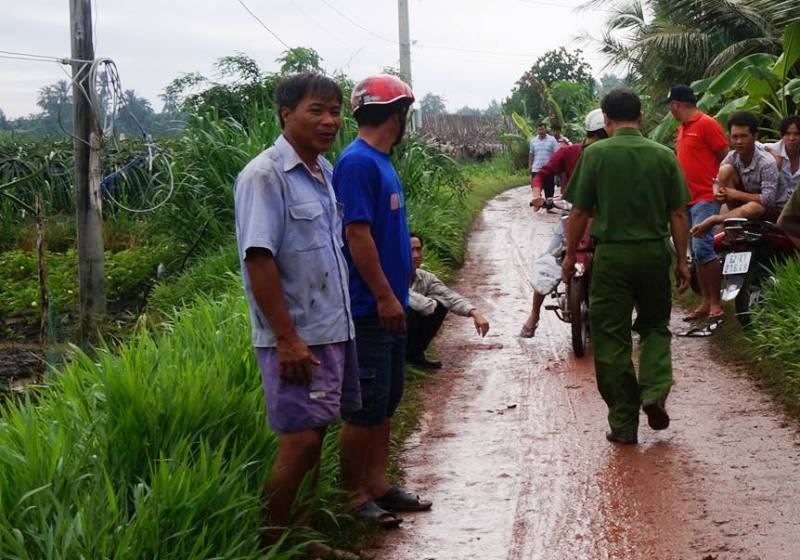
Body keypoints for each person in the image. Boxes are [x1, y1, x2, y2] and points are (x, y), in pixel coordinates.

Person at [234, 73, 360, 559]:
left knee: (318, 433)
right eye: (316, 110)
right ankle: (273, 546)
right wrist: (286, 338)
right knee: (301, 442)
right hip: (295, 335)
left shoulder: (323, 172)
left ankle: (302, 539)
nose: (329, 121)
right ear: (286, 113)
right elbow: (258, 259)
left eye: (334, 111)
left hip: (329, 327)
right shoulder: (264, 176)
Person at [562, 88, 691, 445]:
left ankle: (623, 422)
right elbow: (678, 213)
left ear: (606, 120)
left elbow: (579, 212)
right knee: (654, 327)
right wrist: (682, 260)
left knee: (611, 336)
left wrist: (571, 256)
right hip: (653, 253)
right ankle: (653, 391)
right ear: (642, 116)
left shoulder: (596, 153)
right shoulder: (664, 155)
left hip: (613, 257)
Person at [334, 74, 432, 529]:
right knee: (366, 405)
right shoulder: (358, 164)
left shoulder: (380, 161)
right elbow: (356, 235)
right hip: (370, 308)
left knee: (387, 400)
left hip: (389, 305)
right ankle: (352, 496)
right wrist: (384, 297)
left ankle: (378, 484)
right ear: (397, 116)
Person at [520, 108, 608, 337]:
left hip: (604, 218)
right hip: (571, 215)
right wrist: (536, 194)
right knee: (548, 262)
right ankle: (534, 314)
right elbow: (542, 173)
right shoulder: (569, 153)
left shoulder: (613, 155)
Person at [667, 84, 730, 322]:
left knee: (703, 247)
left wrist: (720, 184)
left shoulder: (707, 123)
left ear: (676, 104)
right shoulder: (682, 128)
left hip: (705, 196)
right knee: (696, 250)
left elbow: (725, 155)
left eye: (670, 106)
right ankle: (705, 300)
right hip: (688, 199)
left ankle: (716, 302)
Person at [691, 112, 784, 237]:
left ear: (755, 136)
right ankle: (731, 221)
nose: (739, 141)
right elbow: (717, 180)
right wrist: (717, 191)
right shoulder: (732, 156)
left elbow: (768, 200)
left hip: (773, 211)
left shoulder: (767, 162)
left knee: (753, 208)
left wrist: (734, 194)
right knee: (725, 170)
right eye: (735, 137)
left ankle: (714, 220)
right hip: (741, 206)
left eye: (744, 136)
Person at [407, 233, 490, 368]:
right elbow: (421, 304)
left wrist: (475, 313)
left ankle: (414, 355)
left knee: (441, 304)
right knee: (411, 308)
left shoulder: (425, 277)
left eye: (418, 249)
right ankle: (400, 358)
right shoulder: (391, 277)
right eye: (410, 250)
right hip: (387, 333)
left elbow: (449, 296)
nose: (416, 255)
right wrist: (431, 304)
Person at [775, 116, 800, 247]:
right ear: (781, 135)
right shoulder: (773, 149)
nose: (791, 138)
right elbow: (752, 146)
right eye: (787, 134)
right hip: (777, 205)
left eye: (796, 134)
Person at [529, 122, 559, 199]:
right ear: (537, 131)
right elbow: (531, 154)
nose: (541, 131)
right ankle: (538, 204)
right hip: (536, 169)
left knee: (549, 191)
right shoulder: (533, 141)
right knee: (536, 191)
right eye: (539, 130)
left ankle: (549, 207)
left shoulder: (552, 140)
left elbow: (557, 154)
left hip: (548, 170)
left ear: (546, 130)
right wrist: (530, 166)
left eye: (542, 129)